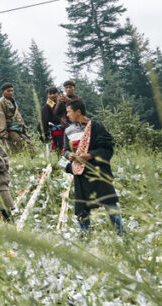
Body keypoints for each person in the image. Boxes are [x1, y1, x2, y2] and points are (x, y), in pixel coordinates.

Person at [63, 99, 124, 235]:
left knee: (109, 202)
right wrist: (69, 156)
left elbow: (107, 149)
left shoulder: (96, 127)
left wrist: (90, 155)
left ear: (78, 112)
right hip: (81, 175)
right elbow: (65, 150)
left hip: (98, 172)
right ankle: (85, 235)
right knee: (82, 207)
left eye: (69, 112)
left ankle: (121, 234)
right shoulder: (68, 131)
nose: (67, 115)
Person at [0, 82, 33, 155]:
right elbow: (0, 118)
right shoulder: (0, 103)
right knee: (18, 146)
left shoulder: (13, 101)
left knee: (29, 145)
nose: (11, 92)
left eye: (12, 90)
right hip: (10, 130)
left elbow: (18, 115)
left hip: (18, 128)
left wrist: (24, 128)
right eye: (8, 91)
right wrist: (2, 134)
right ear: (3, 92)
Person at [40, 86, 67, 152]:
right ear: (47, 95)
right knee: (60, 150)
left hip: (67, 129)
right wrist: (45, 133)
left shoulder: (64, 103)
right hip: (56, 131)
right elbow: (44, 121)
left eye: (54, 93)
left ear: (58, 93)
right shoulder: (46, 107)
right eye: (50, 94)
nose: (52, 95)